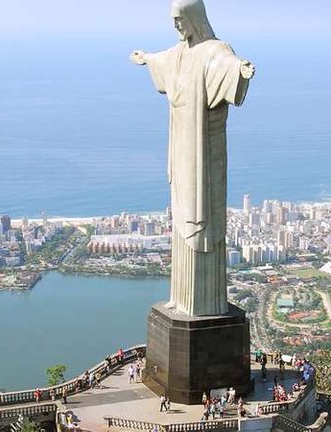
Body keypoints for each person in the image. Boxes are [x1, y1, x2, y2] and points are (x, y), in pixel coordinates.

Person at [130, 0, 255, 317]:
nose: (176, 26)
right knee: (183, 212)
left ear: (194, 17)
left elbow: (227, 66)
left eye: (179, 20)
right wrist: (146, 59)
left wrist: (240, 71)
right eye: (172, 21)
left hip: (203, 147)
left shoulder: (214, 49)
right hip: (182, 145)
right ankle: (182, 300)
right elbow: (163, 61)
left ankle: (206, 304)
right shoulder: (178, 52)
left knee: (202, 212)